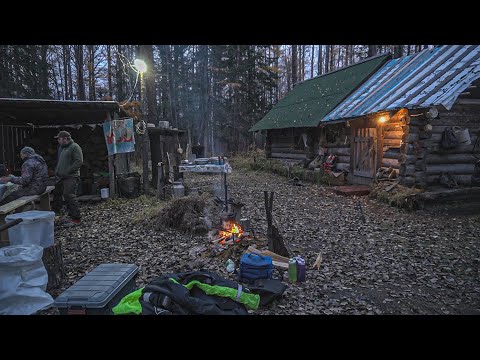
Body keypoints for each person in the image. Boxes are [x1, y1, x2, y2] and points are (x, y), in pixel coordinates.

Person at [52, 130, 83, 226]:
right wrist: (57, 171)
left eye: (59, 139)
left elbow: (79, 161)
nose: (58, 140)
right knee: (57, 194)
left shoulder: (74, 147)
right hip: (61, 177)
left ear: (65, 138)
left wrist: (68, 171)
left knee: (69, 195)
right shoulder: (62, 148)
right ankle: (57, 215)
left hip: (71, 177)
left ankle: (76, 218)